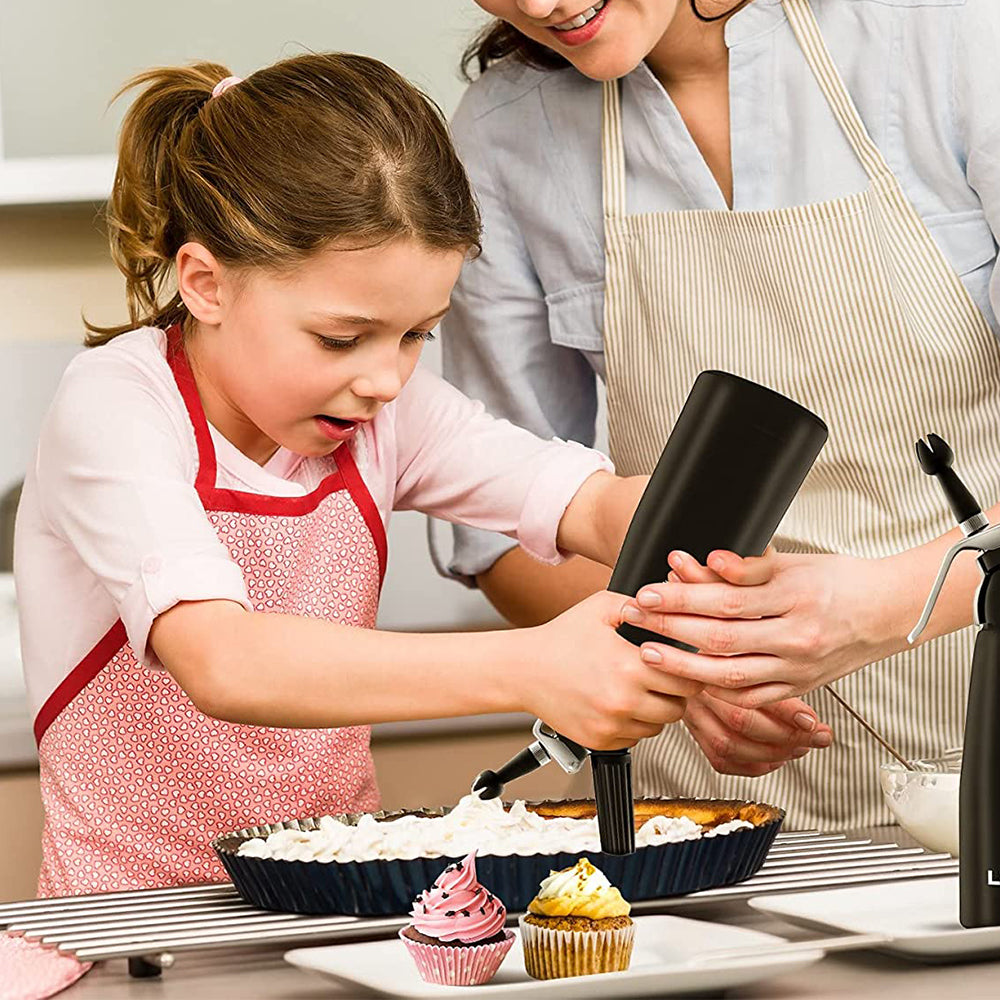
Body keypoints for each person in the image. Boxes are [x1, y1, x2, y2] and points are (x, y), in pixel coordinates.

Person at [3, 53, 699, 995]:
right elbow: (225, 662)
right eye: (342, 338)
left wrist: (709, 544)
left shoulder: (381, 414)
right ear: (205, 283)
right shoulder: (119, 405)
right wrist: (534, 664)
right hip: (137, 938)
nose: (385, 378)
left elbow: (585, 501)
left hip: (343, 925)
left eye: (417, 334)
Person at [435, 0, 1000, 829]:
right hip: (708, 809)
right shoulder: (506, 131)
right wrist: (690, 661)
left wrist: (884, 605)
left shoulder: (949, 33)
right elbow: (500, 530)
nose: (542, 3)